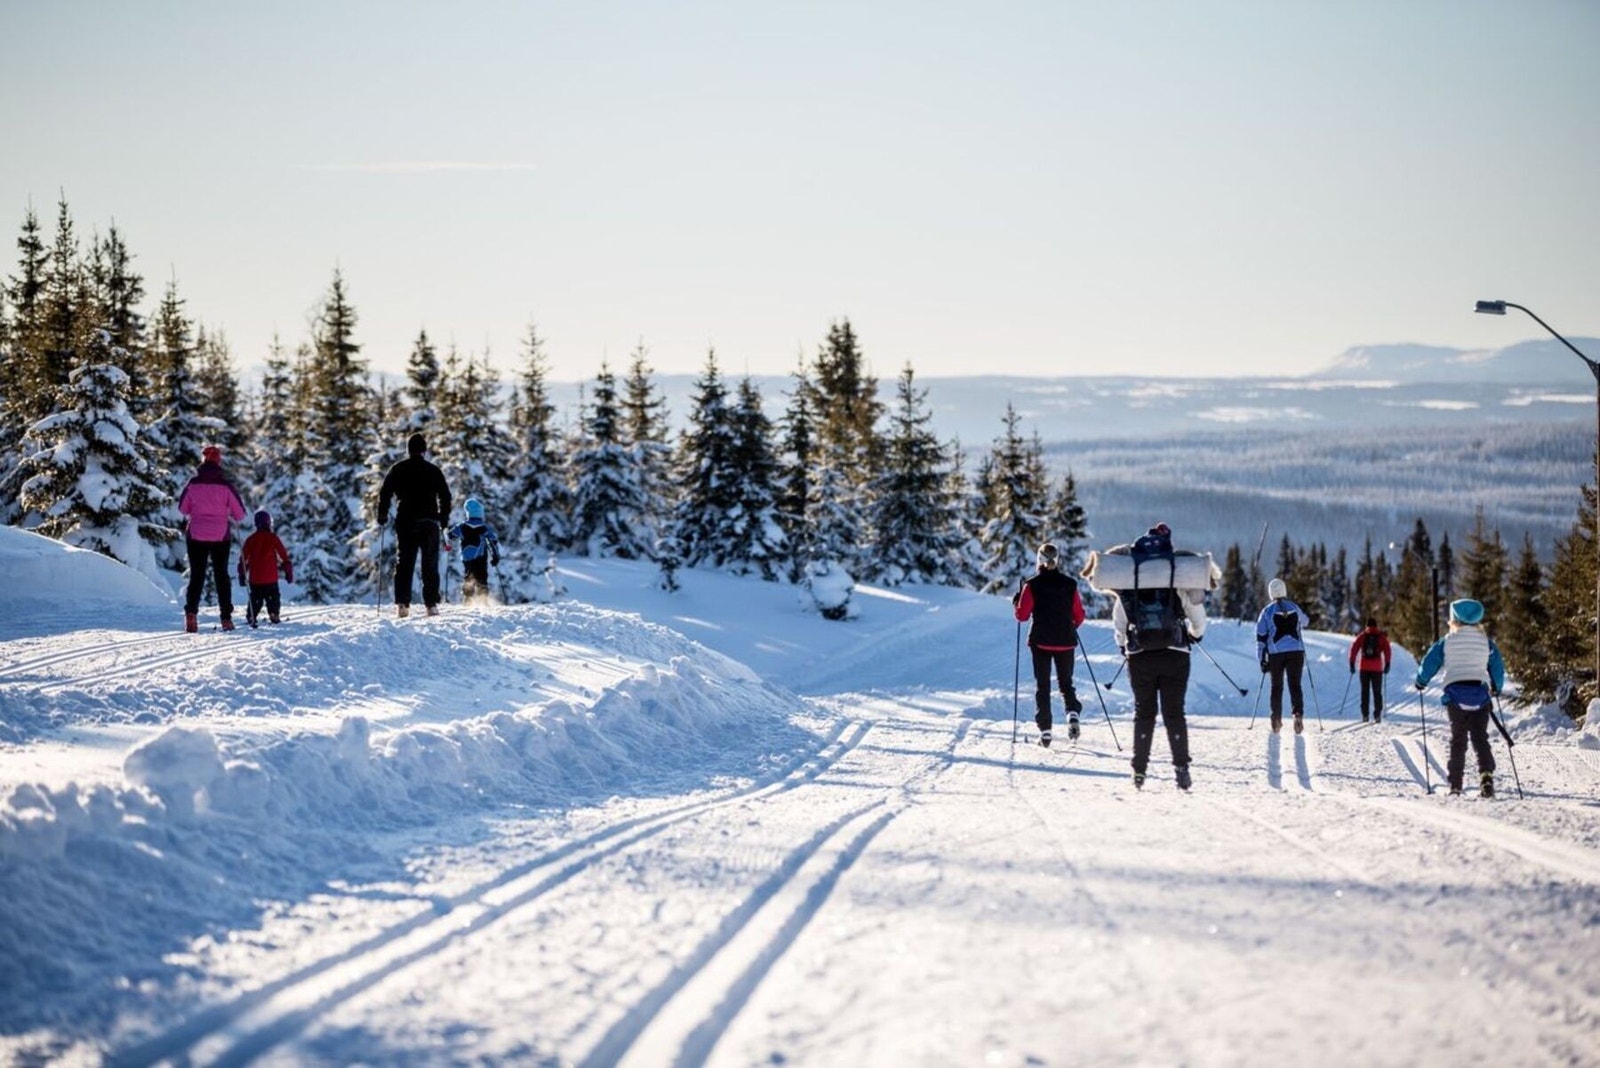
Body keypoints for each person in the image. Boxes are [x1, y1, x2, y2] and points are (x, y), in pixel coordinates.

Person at [1110, 523, 1207, 790]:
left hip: (1140, 655)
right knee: (1174, 713)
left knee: (1144, 713)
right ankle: (1181, 769)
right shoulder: (1177, 580)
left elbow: (1119, 622)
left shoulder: (1131, 581)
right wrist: (1195, 635)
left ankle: (1139, 771)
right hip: (1175, 654)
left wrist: (1122, 645)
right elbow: (1197, 617)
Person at [1415, 599, 1507, 798]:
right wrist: (1497, 687)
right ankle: (1486, 777)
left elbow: (1430, 662)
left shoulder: (1446, 641)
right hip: (1480, 696)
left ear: (1454, 618)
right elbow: (1497, 668)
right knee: (1480, 738)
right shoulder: (1487, 643)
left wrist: (1421, 681)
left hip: (1455, 696)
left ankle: (1455, 784)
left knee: (1458, 740)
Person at [1012, 541, 1086, 747]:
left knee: (1042, 686)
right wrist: (1069, 626)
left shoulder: (1032, 585)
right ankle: (1072, 713)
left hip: (1041, 642)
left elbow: (1022, 616)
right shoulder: (1070, 584)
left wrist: (1017, 601)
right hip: (1066, 641)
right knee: (1066, 683)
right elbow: (1079, 615)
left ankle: (1045, 731)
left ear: (1039, 560)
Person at [376, 432, 453, 617]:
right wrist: (443, 519)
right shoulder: (433, 470)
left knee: (405, 563)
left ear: (408, 450)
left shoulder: (398, 469)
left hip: (407, 521)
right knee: (430, 564)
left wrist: (382, 514)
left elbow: (385, 492)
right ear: (424, 450)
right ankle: (431, 605)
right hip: (430, 523)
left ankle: (402, 605)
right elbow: (445, 496)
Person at [178, 445, 247, 633]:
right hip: (220, 536)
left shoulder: (192, 484)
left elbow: (182, 509)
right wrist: (228, 511)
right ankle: (226, 618)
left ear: (203, 461)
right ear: (219, 462)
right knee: (221, 576)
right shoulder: (226, 486)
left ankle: (191, 615)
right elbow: (240, 514)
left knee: (197, 576)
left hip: (196, 535)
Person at [1255, 577, 1311, 734]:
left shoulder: (1266, 611)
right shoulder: (1293, 607)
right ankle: (1297, 714)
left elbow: (1260, 637)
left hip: (1276, 654)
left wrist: (1261, 659)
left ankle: (1276, 719)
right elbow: (1306, 622)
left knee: (1276, 686)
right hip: (1296, 652)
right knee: (1295, 685)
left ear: (1270, 593)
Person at [237, 510, 294, 628]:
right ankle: (274, 613)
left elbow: (243, 558)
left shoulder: (251, 539)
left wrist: (242, 574)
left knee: (255, 598)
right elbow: (283, 554)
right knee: (273, 598)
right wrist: (288, 570)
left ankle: (252, 615)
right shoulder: (273, 538)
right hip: (270, 578)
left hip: (255, 579)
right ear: (268, 523)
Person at [447, 497, 502, 605]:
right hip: (481, 557)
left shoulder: (462, 526)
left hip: (467, 558)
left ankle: (467, 601)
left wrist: (448, 532)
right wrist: (495, 557)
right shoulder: (484, 527)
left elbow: (450, 535)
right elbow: (492, 542)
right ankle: (483, 601)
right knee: (482, 577)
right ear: (480, 514)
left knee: (468, 577)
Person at [1348, 617, 1392, 723]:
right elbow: (1388, 650)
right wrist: (1387, 663)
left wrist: (1352, 663)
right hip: (1377, 668)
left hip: (1364, 668)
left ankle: (1365, 715)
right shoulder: (1381, 637)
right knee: (1377, 692)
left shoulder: (1363, 636)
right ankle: (1377, 715)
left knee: (1365, 691)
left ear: (1367, 625)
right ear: (1376, 626)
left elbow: (1354, 648)